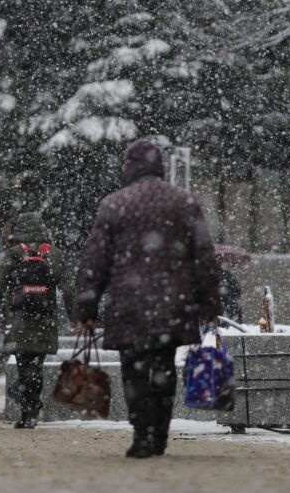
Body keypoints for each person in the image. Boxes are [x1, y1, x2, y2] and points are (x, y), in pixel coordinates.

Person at [74, 139, 222, 458]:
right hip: (172, 302)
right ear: (160, 167)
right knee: (164, 367)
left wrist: (86, 309)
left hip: (129, 304)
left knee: (134, 370)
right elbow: (204, 258)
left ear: (129, 168)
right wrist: (210, 304)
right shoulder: (183, 202)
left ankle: (142, 433)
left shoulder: (114, 205)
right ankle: (160, 434)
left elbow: (95, 262)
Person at [0, 212, 74, 429]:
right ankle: (32, 407)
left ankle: (28, 410)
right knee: (37, 363)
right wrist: (76, 316)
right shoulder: (54, 254)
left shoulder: (13, 253)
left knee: (25, 363)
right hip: (45, 317)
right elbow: (69, 290)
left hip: (19, 317)